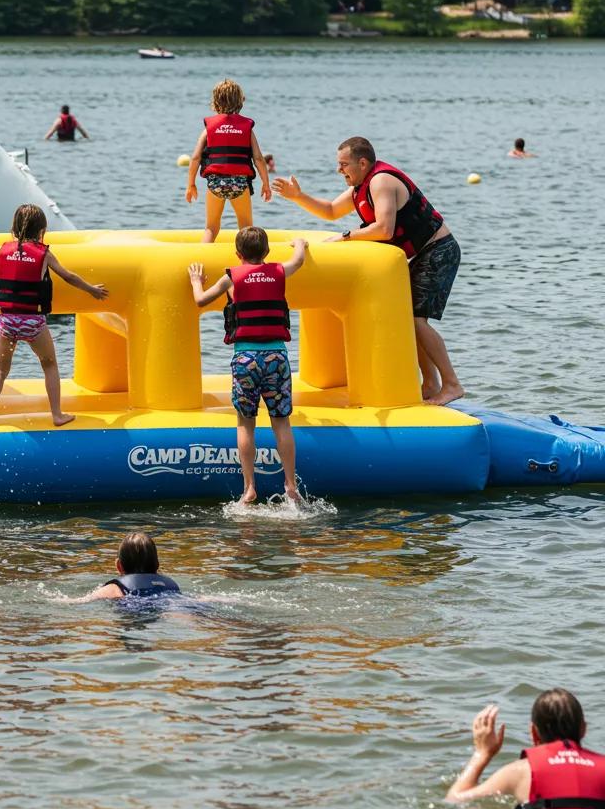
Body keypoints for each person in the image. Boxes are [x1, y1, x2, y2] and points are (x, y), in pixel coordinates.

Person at [274, 136, 463, 406]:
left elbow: (384, 229)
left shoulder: (381, 181)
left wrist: (346, 237)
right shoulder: (360, 186)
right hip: (423, 254)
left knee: (415, 320)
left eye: (343, 165)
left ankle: (452, 384)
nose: (339, 171)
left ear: (362, 163)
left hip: (439, 250)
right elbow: (330, 210)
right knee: (409, 318)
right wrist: (298, 197)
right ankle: (431, 383)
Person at [189, 226, 308, 504]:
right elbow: (299, 260)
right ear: (266, 252)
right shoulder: (279, 271)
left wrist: (196, 280)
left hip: (246, 359)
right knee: (281, 422)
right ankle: (291, 485)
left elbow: (200, 300)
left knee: (246, 424)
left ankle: (249, 488)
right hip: (276, 358)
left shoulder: (231, 277)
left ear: (237, 253)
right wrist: (300, 243)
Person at [0, 203, 108, 427]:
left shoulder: (5, 249)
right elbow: (68, 276)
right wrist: (92, 290)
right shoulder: (43, 253)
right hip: (33, 321)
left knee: (0, 367)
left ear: (14, 229)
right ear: (41, 230)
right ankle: (57, 414)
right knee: (49, 364)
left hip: (7, 321)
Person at [446, 689, 605, 809]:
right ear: (583, 729)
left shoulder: (521, 771)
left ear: (534, 733)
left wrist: (482, 753)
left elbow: (454, 800)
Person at [185, 79, 273, 243]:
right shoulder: (246, 127)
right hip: (239, 183)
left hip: (215, 183)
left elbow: (196, 157)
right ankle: (248, 262)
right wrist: (266, 184)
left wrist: (191, 184)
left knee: (211, 227)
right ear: (241, 101)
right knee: (246, 227)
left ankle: (201, 259)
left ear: (215, 102)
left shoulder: (209, 128)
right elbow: (259, 158)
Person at [74, 532, 181, 601]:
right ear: (157, 564)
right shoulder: (170, 586)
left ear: (119, 566)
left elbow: (82, 601)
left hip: (133, 611)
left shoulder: (114, 589)